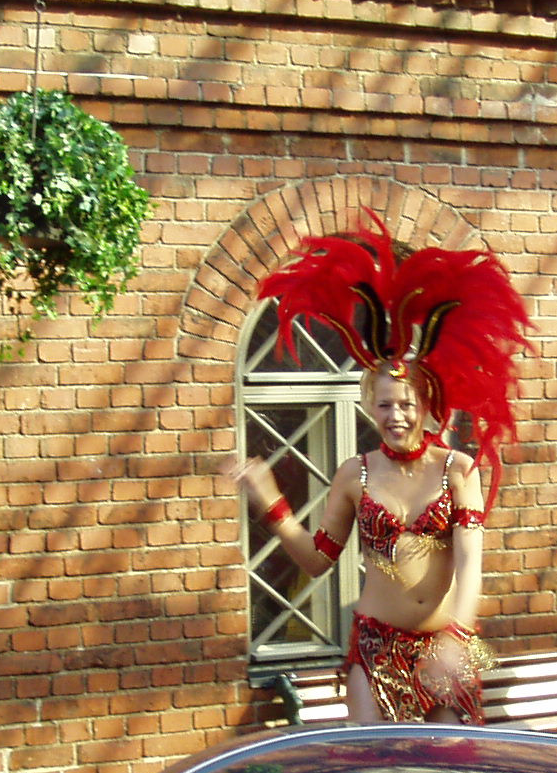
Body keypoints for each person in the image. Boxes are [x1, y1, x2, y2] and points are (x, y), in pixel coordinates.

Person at [225, 222, 532, 723]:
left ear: (427, 405)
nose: (396, 415)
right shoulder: (355, 474)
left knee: (454, 769)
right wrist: (272, 503)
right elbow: (318, 559)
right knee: (376, 768)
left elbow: (471, 563)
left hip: (445, 642)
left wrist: (458, 635)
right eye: (385, 404)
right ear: (370, 406)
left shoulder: (458, 470)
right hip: (374, 647)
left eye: (407, 404)